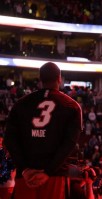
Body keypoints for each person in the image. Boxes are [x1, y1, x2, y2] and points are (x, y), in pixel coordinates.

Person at [4, 62, 83, 199]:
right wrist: (48, 171)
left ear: (40, 79)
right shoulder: (72, 106)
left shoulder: (20, 104)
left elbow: (10, 139)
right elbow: (69, 144)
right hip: (54, 177)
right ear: (59, 78)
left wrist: (24, 169)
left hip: (26, 178)